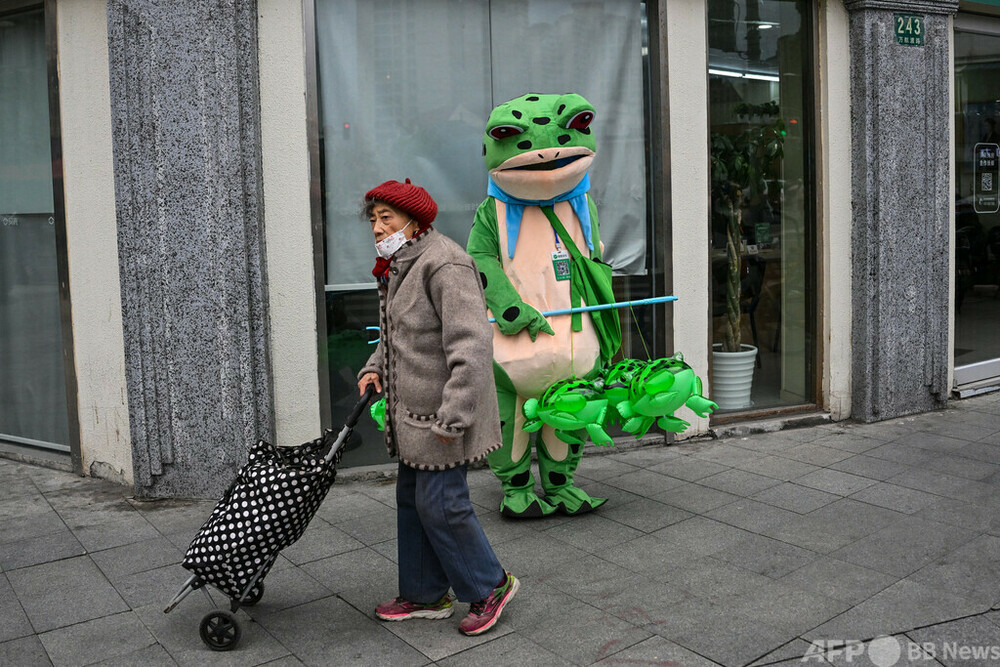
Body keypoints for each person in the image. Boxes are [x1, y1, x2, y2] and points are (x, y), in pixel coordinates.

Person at [356, 178, 519, 637]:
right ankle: (426, 594)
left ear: (414, 219)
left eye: (386, 216)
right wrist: (375, 368)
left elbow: (471, 343)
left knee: (442, 504)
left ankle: (491, 585)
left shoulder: (444, 262)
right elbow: (398, 335)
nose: (377, 226)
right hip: (414, 415)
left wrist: (456, 414)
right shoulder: (399, 263)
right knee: (413, 501)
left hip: (445, 414)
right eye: (373, 218)